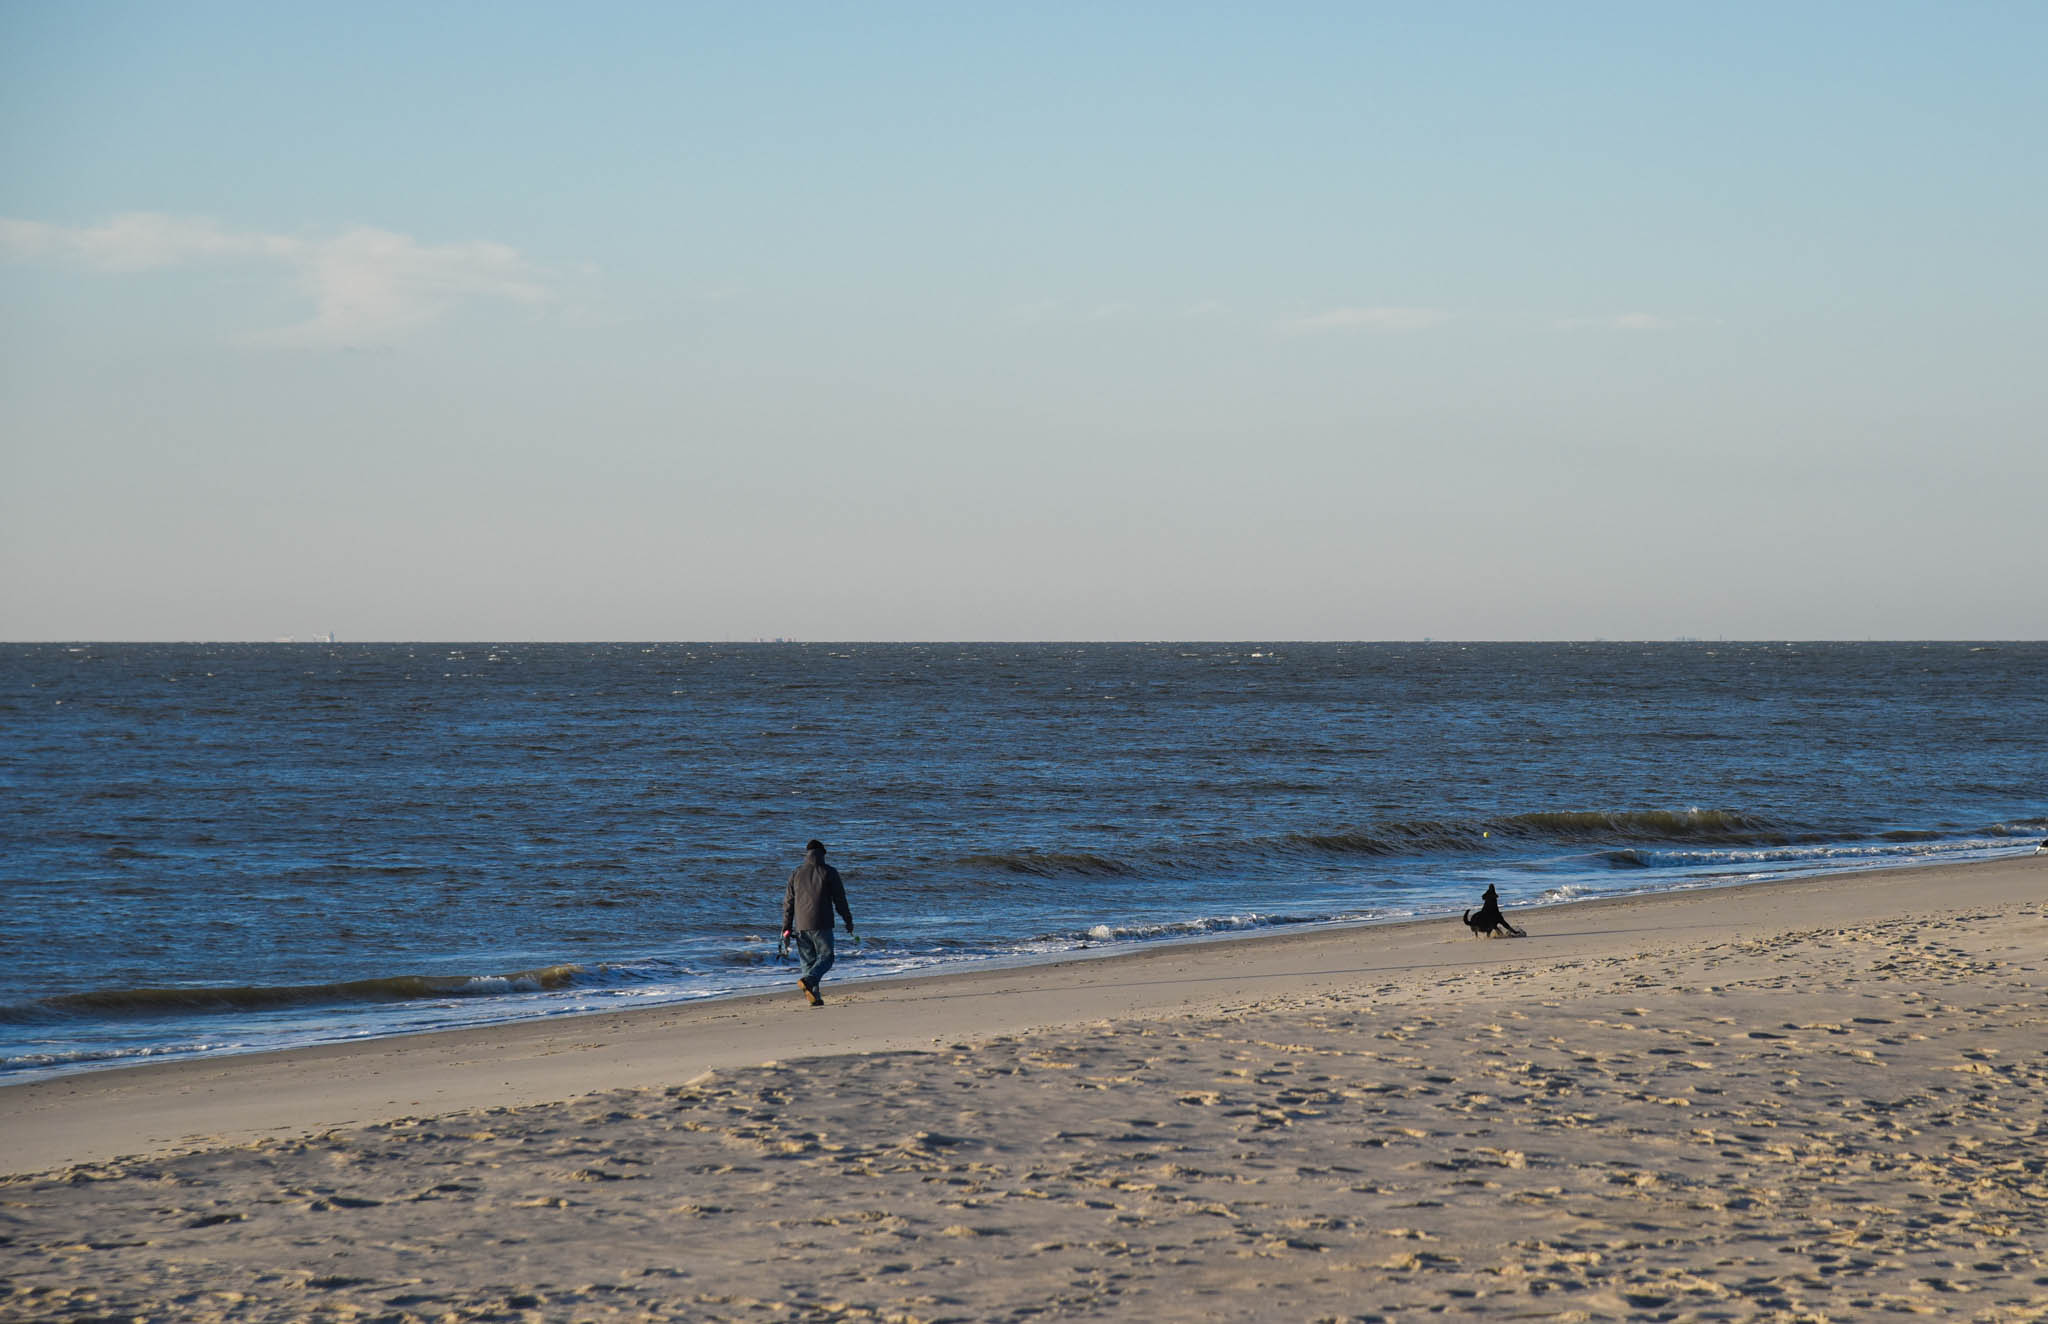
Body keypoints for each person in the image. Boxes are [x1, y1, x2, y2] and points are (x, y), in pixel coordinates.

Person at [782, 839, 854, 1006]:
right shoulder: (829, 872)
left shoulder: (796, 873)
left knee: (808, 962)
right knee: (827, 957)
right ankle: (810, 981)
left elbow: (788, 903)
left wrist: (786, 926)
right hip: (822, 923)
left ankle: (815, 997)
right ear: (823, 854)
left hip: (800, 925)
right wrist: (848, 920)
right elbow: (840, 900)